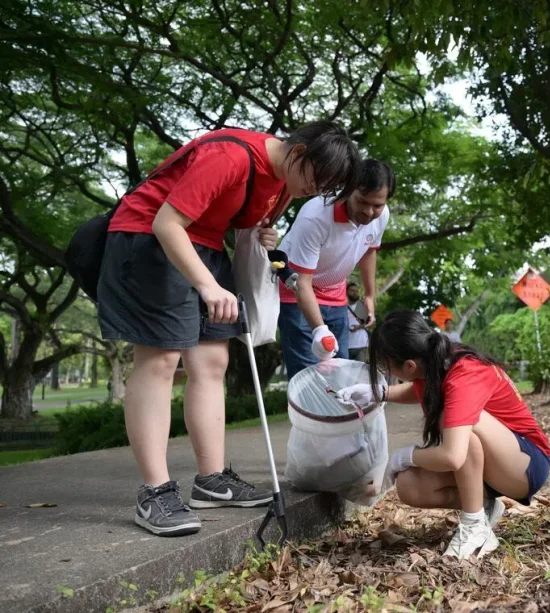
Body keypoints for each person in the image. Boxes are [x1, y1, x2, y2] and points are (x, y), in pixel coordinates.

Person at [97, 122, 360, 537]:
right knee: (161, 358)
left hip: (204, 244)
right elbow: (168, 223)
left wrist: (263, 234)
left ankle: (212, 480)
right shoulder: (232, 156)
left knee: (214, 359)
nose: (315, 190)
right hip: (148, 237)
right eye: (317, 178)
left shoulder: (286, 183)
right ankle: (155, 491)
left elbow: (242, 225)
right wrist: (206, 284)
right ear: (299, 152)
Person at [336, 310, 550, 561]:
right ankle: (483, 507)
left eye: (387, 366)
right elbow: (418, 388)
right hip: (492, 465)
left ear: (409, 366)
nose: (387, 372)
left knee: (460, 429)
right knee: (409, 486)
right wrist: (379, 393)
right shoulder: (433, 361)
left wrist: (405, 456)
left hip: (525, 464)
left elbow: (452, 456)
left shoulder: (464, 373)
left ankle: (474, 527)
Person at [277, 159, 394, 378]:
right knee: (309, 375)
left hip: (335, 294)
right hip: (297, 293)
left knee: (340, 372)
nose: (369, 212)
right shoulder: (316, 216)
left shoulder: (382, 215)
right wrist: (319, 330)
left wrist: (369, 295)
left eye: (377, 205)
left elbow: (369, 251)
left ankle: (340, 413)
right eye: (362, 201)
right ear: (348, 188)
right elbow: (302, 282)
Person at [347, 282, 370, 362]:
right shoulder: (341, 306)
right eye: (352, 291)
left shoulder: (362, 306)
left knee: (360, 371)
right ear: (346, 291)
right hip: (345, 345)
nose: (355, 293)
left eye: (357, 291)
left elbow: (372, 323)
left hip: (361, 345)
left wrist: (359, 327)